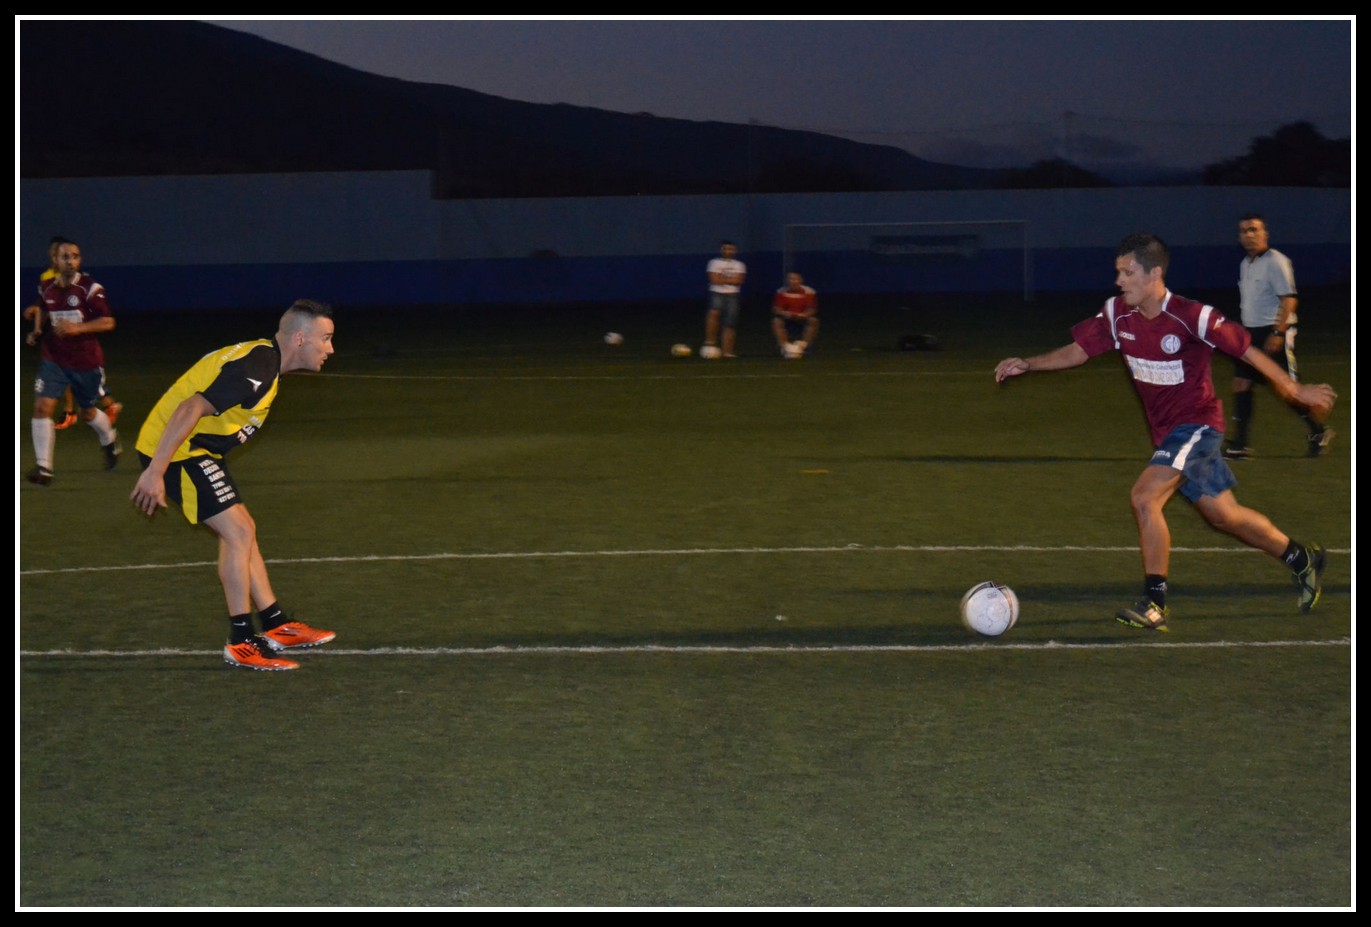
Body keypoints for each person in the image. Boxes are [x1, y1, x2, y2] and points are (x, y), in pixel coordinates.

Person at [994, 233, 1336, 632]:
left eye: (1128, 272)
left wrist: (1294, 389)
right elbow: (1079, 350)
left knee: (1144, 497)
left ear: (1154, 273)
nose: (1119, 281)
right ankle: (1301, 558)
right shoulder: (1117, 314)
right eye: (1118, 272)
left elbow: (1246, 350)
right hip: (1168, 434)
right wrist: (1029, 364)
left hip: (1197, 426)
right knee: (1224, 516)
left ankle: (1155, 603)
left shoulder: (1192, 316)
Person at [130, 299, 338, 671]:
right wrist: (155, 471)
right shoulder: (257, 367)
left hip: (197, 449)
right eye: (326, 338)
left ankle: (275, 624)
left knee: (244, 529)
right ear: (300, 339)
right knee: (238, 532)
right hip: (177, 451)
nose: (331, 348)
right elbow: (190, 408)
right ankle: (240, 641)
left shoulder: (266, 362)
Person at [1224, 214, 1333, 459]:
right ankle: (1240, 445)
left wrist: (1278, 332)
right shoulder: (1246, 263)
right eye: (1244, 231)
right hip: (1250, 334)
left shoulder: (1276, 261)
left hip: (1272, 332)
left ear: (1266, 233)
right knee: (1241, 383)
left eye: (1254, 229)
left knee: (1287, 391)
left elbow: (1290, 299)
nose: (1249, 235)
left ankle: (1319, 431)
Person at [25, 239, 123, 485]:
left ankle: (109, 439)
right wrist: (37, 330)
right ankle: (44, 468)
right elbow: (44, 307)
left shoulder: (90, 288)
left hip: (86, 361)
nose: (71, 261)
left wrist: (76, 328)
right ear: (55, 261)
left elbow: (108, 322)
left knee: (87, 413)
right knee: (42, 407)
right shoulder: (47, 286)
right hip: (54, 358)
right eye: (65, 256)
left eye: (75, 256)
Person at [702, 240, 746, 359]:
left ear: (734, 250)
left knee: (730, 323)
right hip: (717, 293)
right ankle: (710, 344)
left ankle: (727, 352)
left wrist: (722, 279)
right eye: (725, 249)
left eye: (730, 249)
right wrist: (730, 280)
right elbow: (714, 280)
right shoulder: (714, 262)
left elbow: (739, 280)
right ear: (721, 250)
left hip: (733, 295)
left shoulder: (739, 265)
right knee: (714, 314)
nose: (728, 251)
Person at [772, 271, 820, 359]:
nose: (792, 281)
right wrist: (784, 313)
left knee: (813, 321)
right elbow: (776, 309)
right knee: (776, 321)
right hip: (787, 318)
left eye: (795, 279)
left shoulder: (809, 292)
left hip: (802, 317)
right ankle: (784, 347)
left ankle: (805, 346)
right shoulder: (781, 292)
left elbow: (812, 309)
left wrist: (804, 315)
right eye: (790, 279)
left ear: (800, 280)